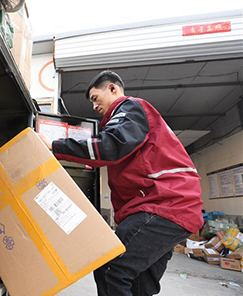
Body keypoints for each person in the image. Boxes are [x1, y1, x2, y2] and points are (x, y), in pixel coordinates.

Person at [39, 71, 203, 296]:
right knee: (138, 284)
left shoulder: (130, 108)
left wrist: (55, 146)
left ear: (113, 89)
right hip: (171, 209)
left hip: (164, 206)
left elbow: (110, 146)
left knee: (110, 266)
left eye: (96, 98)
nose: (94, 107)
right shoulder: (124, 121)